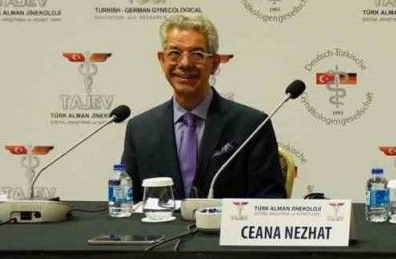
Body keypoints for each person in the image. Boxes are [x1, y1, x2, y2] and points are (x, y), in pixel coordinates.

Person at [121, 14, 285, 199]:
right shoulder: (140, 129)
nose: (185, 63)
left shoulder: (252, 126)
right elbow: (127, 203)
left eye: (197, 54)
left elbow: (270, 200)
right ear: (162, 60)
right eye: (174, 53)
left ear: (214, 63)